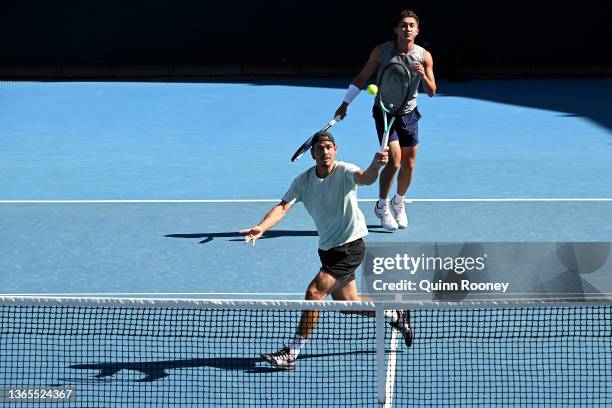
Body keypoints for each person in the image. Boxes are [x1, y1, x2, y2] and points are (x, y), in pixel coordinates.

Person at [239, 131, 412, 370]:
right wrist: (261, 227)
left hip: (350, 247)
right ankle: (395, 313)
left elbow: (366, 178)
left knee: (314, 293)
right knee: (348, 305)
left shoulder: (345, 171)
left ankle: (291, 352)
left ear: (336, 149)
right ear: (312, 153)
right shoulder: (302, 181)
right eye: (320, 149)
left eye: (329, 147)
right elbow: (282, 207)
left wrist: (376, 165)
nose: (325, 152)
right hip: (328, 249)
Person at [334, 9, 436, 231]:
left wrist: (423, 75)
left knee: (409, 164)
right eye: (403, 25)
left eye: (411, 26)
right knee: (395, 160)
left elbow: (432, 91)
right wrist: (344, 104)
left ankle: (398, 202)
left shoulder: (424, 55)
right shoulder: (381, 51)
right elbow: (362, 77)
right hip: (384, 111)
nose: (407, 29)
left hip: (409, 113)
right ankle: (381, 205)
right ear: (396, 29)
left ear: (417, 31)